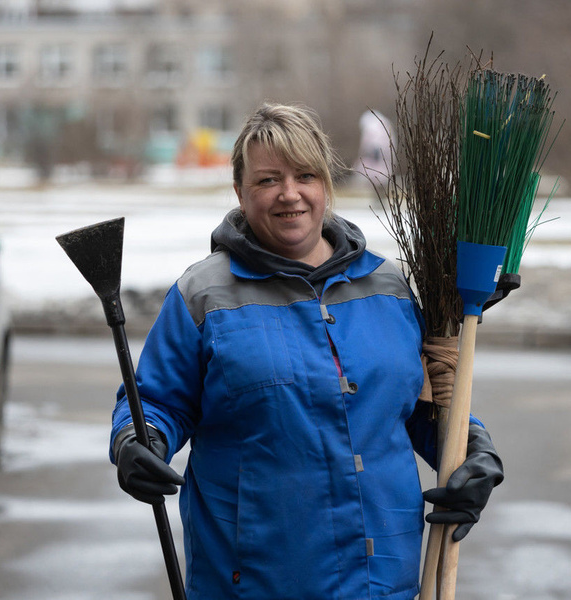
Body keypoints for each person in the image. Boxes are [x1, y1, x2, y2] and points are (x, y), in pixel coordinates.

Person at [110, 102, 504, 599]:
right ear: (240, 191)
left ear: (326, 185)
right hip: (255, 583)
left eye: (305, 175)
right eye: (268, 180)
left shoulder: (388, 288)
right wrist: (138, 441)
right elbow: (157, 402)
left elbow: (421, 407)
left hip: (383, 582)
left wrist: (474, 451)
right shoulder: (203, 296)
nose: (289, 193)